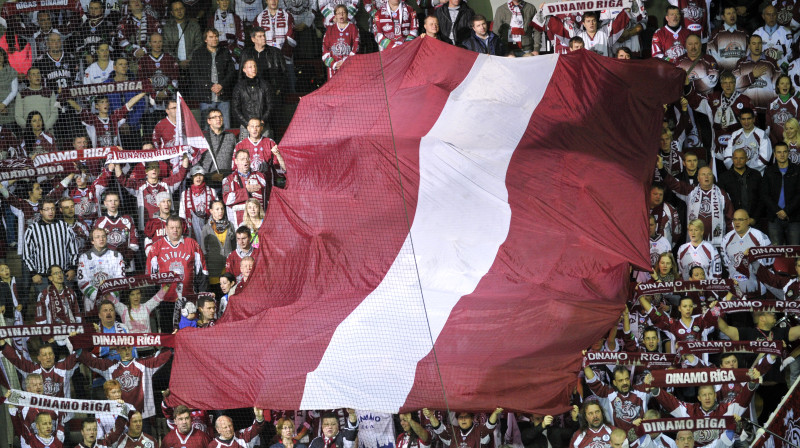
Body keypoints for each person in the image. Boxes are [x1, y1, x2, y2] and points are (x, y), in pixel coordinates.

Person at [79, 345, 173, 419]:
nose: (127, 351)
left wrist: (171, 342)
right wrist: (77, 344)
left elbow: (161, 356)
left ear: (132, 347)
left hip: (142, 417)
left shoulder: (144, 364)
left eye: (129, 347)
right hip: (119, 415)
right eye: (123, 348)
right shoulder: (110, 367)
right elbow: (91, 361)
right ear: (118, 350)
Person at [659, 159, 734, 249]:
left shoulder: (722, 194)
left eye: (709, 174)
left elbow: (731, 218)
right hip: (694, 243)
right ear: (698, 178)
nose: (706, 176)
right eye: (703, 174)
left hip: (717, 244)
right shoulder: (691, 191)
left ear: (713, 177)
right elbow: (674, 184)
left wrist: (731, 240)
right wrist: (661, 169)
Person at [691, 71, 752, 163]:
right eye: (725, 83)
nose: (728, 85)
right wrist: (687, 86)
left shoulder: (745, 100)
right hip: (718, 151)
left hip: (739, 150)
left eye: (731, 82)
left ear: (735, 84)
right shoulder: (713, 99)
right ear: (721, 85)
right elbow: (696, 102)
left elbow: (753, 126)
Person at [114, 156, 190, 230]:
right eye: (150, 167)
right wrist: (116, 162)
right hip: (147, 228)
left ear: (159, 170)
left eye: (156, 167)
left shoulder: (167, 184)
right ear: (146, 171)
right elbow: (122, 180)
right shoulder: (139, 186)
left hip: (168, 227)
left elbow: (182, 174)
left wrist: (185, 155)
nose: (153, 169)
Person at [24, 199, 79, 295]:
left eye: (53, 209)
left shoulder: (65, 227)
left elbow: (73, 250)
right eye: (47, 209)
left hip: (64, 276)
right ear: (41, 211)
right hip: (42, 278)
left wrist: (72, 268)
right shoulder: (32, 229)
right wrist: (33, 273)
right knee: (44, 306)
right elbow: (27, 255)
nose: (51, 212)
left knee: (66, 305)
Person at [147, 215, 208, 302]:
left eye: (177, 227)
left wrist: (202, 295)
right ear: (166, 228)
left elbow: (203, 273)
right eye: (172, 228)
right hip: (165, 300)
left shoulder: (192, 244)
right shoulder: (156, 247)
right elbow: (150, 277)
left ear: (182, 228)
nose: (175, 230)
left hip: (189, 298)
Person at [0, 340, 80, 399]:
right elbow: (15, 358)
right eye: (44, 355)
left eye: (50, 354)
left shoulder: (65, 366)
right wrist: (2, 343)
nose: (48, 357)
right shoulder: (31, 369)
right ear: (39, 358)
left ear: (54, 356)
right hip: (39, 416)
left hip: (63, 417)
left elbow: (80, 354)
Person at [190, 29, 236, 130]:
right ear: (205, 39)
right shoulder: (198, 54)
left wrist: (221, 85)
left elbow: (231, 72)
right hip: (206, 98)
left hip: (223, 97)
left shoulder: (225, 52)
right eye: (211, 37)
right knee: (207, 129)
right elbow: (194, 75)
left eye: (216, 36)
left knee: (226, 127)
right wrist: (210, 85)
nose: (214, 39)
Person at [67, 92, 148, 148]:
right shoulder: (92, 119)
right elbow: (78, 108)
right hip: (100, 158)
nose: (105, 104)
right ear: (96, 106)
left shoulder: (114, 117)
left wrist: (144, 92)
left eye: (106, 102)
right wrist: (66, 96)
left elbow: (129, 104)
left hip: (115, 156)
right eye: (102, 102)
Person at [583, 365, 650, 432]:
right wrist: (585, 363)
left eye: (627, 379)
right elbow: (593, 380)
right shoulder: (608, 394)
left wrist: (651, 382)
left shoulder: (641, 391)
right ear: (615, 383)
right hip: (618, 439)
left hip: (642, 438)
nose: (625, 383)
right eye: (621, 380)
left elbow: (657, 386)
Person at [77, 228, 126, 313]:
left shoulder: (116, 256)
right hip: (91, 303)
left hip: (113, 301)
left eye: (103, 236)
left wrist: (109, 296)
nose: (101, 239)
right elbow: (82, 282)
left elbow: (121, 279)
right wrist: (97, 296)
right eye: (97, 237)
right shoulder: (84, 258)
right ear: (92, 241)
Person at [543, 10, 630, 57]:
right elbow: (559, 27)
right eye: (588, 21)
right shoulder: (577, 35)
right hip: (586, 71)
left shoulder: (605, 32)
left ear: (597, 22)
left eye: (593, 21)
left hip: (604, 70)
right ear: (583, 23)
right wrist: (546, 14)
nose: (591, 23)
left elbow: (618, 23)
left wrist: (626, 11)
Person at [761, 142, 800, 245]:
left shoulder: (797, 170)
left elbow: (799, 194)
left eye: (784, 152)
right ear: (774, 154)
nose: (782, 155)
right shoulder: (768, 171)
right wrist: (778, 211)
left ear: (788, 153)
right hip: (774, 218)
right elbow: (764, 194)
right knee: (776, 254)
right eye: (779, 152)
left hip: (793, 218)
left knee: (794, 253)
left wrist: (786, 211)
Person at [733, 34, 780, 117]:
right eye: (754, 43)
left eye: (759, 43)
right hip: (746, 110)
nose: (757, 46)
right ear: (749, 46)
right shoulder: (741, 63)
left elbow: (778, 87)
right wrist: (752, 76)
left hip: (767, 110)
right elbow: (734, 85)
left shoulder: (771, 62)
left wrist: (774, 107)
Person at [223, 150, 270, 228]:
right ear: (236, 161)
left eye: (247, 159)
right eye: (242, 159)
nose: (246, 161)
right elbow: (226, 199)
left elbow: (268, 198)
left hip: (259, 222)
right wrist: (246, 191)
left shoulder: (261, 177)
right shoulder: (228, 180)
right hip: (240, 224)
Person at [95, 191, 140, 270]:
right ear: (105, 203)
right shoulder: (100, 222)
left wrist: (125, 258)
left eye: (115, 200)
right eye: (110, 201)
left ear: (119, 202)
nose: (113, 203)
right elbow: (96, 244)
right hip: (107, 263)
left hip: (126, 263)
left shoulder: (127, 219)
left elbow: (134, 242)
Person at [239, 27, 287, 98]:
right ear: (253, 39)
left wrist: (279, 90)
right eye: (260, 36)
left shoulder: (275, 52)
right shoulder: (246, 54)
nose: (263, 38)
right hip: (252, 94)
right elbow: (241, 75)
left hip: (272, 93)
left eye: (264, 35)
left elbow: (284, 73)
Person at [717, 148, 763, 222]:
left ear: (747, 159)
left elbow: (762, 198)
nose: (738, 161)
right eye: (735, 158)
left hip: (753, 220)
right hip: (732, 220)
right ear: (732, 159)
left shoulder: (756, 175)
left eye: (741, 158)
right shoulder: (724, 177)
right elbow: (721, 201)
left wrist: (754, 218)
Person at [233, 62, 275, 140]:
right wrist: (246, 124)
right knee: (245, 150)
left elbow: (270, 105)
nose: (253, 68)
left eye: (255, 66)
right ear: (244, 70)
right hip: (246, 126)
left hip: (263, 126)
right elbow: (235, 108)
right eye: (250, 67)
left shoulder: (265, 85)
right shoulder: (239, 87)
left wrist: (262, 121)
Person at [723, 108, 772, 174]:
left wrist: (746, 171)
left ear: (754, 119)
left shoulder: (762, 134)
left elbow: (765, 159)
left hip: (755, 176)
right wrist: (737, 170)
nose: (746, 122)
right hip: (736, 175)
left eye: (749, 119)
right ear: (740, 120)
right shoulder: (735, 134)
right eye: (743, 119)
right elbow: (727, 157)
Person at [200, 200, 235, 289]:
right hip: (214, 268)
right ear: (211, 211)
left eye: (222, 209)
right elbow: (203, 250)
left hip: (228, 265)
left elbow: (234, 244)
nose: (220, 211)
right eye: (217, 209)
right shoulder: (206, 228)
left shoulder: (230, 225)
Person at [426, 408, 501, 448]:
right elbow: (440, 429)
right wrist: (431, 416)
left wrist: (495, 413)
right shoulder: (453, 431)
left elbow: (489, 426)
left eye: (466, 417)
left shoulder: (478, 431)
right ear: (457, 420)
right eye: (460, 417)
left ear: (472, 419)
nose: (463, 419)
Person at [163, 1, 203, 75]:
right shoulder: (167, 28)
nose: (179, 11)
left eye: (181, 8)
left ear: (184, 9)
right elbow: (166, 48)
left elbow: (199, 44)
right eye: (176, 10)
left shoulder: (194, 26)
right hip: (174, 68)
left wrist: (189, 60)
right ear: (172, 13)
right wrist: (178, 62)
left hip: (193, 66)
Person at [14, 68, 58, 133]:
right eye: (33, 74)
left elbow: (55, 113)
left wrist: (44, 127)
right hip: (28, 135)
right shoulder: (21, 94)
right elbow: (18, 116)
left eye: (38, 74)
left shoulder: (50, 92)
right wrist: (30, 128)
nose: (37, 76)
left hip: (47, 133)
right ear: (28, 78)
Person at [180, 166, 219, 238]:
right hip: (191, 229)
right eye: (195, 175)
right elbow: (182, 215)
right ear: (192, 177)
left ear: (203, 176)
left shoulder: (212, 191)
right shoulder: (184, 194)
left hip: (209, 226)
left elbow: (217, 210)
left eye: (200, 175)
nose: (198, 178)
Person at [322, 4, 359, 78]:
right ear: (335, 15)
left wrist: (346, 62)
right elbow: (325, 49)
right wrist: (334, 64)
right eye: (338, 13)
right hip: (334, 67)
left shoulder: (353, 28)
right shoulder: (330, 30)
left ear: (347, 14)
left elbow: (356, 47)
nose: (341, 15)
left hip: (349, 66)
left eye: (344, 12)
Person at [707, 5, 748, 72]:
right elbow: (711, 56)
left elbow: (748, 54)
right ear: (723, 17)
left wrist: (741, 71)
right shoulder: (716, 34)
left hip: (741, 76)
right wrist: (722, 71)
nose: (732, 16)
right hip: (723, 77)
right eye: (728, 13)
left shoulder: (744, 33)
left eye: (734, 13)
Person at [207, 0, 245, 64]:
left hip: (234, 53)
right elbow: (210, 40)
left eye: (227, 0)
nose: (225, 2)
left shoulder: (236, 18)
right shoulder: (211, 20)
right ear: (217, 1)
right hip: (218, 54)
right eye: (222, 0)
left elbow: (241, 38)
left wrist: (233, 54)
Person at [766, 74, 800, 143]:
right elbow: (768, 125)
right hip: (775, 142)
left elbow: (799, 122)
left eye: (787, 83)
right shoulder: (771, 102)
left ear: (790, 86)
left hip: (791, 142)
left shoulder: (797, 101)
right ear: (778, 86)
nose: (785, 86)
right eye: (782, 83)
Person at [0, 48, 19, 127]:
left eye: (1, 55)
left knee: (10, 137)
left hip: (10, 109)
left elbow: (14, 91)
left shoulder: (11, 71)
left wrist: (4, 104)